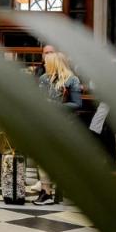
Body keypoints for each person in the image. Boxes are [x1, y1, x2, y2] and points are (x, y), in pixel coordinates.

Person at [32, 50, 83, 205]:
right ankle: (46, 191)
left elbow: (77, 104)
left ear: (54, 63)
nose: (45, 65)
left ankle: (61, 190)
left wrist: (55, 105)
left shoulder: (72, 80)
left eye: (47, 63)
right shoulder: (44, 78)